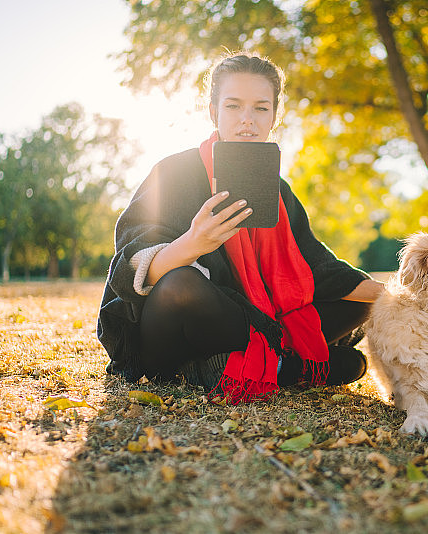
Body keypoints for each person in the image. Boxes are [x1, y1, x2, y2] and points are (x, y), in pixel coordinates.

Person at [97, 52, 384, 403]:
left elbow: (315, 267)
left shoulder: (279, 190)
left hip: (246, 324)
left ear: (274, 116)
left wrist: (395, 296)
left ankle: (240, 366)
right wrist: (193, 243)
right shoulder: (173, 171)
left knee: (361, 302)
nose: (247, 120)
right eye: (233, 106)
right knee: (183, 284)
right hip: (173, 333)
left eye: (261, 108)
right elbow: (129, 266)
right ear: (213, 111)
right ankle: (289, 368)